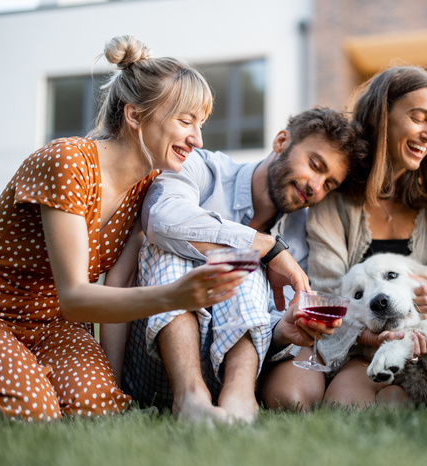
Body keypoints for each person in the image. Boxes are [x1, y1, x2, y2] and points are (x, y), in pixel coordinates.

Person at [0, 35, 246, 422]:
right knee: (34, 412)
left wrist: (108, 383)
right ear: (134, 116)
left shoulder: (146, 183)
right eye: (185, 121)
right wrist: (173, 296)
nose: (197, 139)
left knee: (99, 409)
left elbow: (115, 286)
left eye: (201, 124)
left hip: (52, 327)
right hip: (2, 315)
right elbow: (76, 296)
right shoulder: (67, 161)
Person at [121, 107, 368, 425]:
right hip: (153, 362)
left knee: (248, 264)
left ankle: (240, 401)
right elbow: (161, 220)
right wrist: (264, 245)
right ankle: (190, 397)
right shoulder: (202, 168)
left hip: (226, 377)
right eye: (315, 165)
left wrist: (283, 331)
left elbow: (270, 327)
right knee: (202, 249)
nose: (316, 187)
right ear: (281, 142)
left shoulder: (300, 234)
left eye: (329, 184)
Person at [260, 66, 427, 410]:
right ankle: (392, 395)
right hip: (359, 343)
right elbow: (328, 292)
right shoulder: (334, 194)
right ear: (382, 117)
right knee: (309, 402)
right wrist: (373, 336)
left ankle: (410, 394)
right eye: (419, 118)